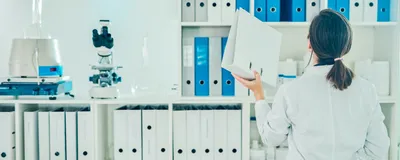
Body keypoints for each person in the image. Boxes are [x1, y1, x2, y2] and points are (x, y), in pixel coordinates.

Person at [233, 9, 390, 160]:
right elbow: (379, 149)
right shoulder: (367, 90)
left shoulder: (290, 91)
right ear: (347, 47)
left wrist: (259, 95)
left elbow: (271, 138)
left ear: (310, 44)